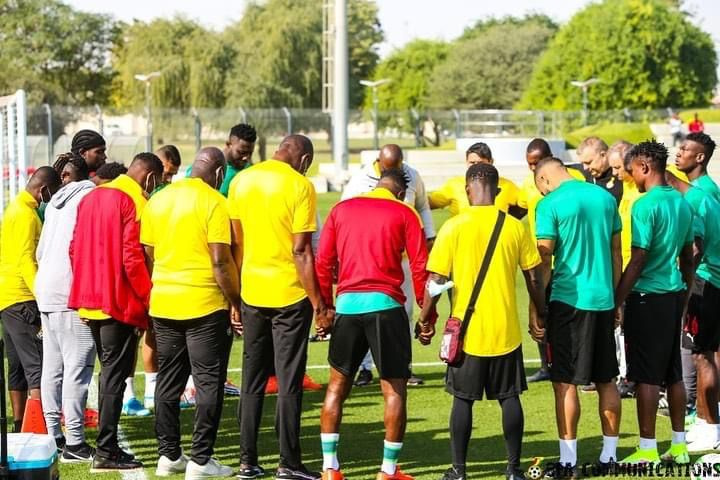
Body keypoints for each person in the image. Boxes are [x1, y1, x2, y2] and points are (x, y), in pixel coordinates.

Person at [417, 163, 546, 480]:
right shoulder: (515, 227)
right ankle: (514, 470)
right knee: (509, 398)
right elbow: (534, 276)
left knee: (462, 401)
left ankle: (458, 471)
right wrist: (540, 313)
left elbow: (436, 280)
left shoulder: (454, 227)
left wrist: (424, 318)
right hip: (506, 330)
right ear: (498, 191)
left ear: (466, 190)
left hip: (466, 331)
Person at [316, 169, 434, 480]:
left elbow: (323, 260)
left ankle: (330, 468)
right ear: (399, 192)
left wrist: (325, 307)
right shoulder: (404, 212)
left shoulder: (341, 210)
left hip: (347, 306)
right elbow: (421, 265)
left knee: (336, 387)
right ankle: (387, 471)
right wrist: (426, 314)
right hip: (386, 307)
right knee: (394, 391)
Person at [229, 135, 329, 480]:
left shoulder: (241, 180)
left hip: (252, 292)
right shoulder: (301, 185)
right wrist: (319, 304)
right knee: (288, 380)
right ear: (303, 160)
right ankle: (288, 462)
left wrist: (236, 297)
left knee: (252, 378)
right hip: (289, 295)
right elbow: (301, 251)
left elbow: (236, 244)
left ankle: (247, 462)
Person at [142, 147, 240, 479]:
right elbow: (220, 261)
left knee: (167, 382)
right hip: (204, 304)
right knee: (208, 382)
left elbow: (149, 251)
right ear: (218, 173)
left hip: (165, 303)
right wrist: (236, 301)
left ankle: (168, 455)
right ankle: (200, 460)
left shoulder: (159, 199)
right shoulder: (215, 202)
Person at [68, 153, 163, 472]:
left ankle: (107, 447)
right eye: (157, 183)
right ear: (149, 178)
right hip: (118, 301)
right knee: (114, 376)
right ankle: (107, 449)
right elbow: (133, 259)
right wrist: (150, 299)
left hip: (90, 299)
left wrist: (82, 290)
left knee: (109, 371)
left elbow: (74, 248)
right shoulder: (134, 201)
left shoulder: (90, 197)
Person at [533, 157, 622, 474]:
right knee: (606, 379)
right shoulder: (604, 197)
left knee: (564, 383)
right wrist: (616, 301)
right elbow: (615, 252)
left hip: (568, 303)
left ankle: (568, 460)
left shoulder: (549, 204)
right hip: (602, 301)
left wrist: (537, 309)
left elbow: (544, 261)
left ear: (543, 179)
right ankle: (609, 457)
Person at [614, 140, 695, 464]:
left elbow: (638, 258)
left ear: (645, 167)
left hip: (647, 297)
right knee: (673, 371)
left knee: (646, 374)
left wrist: (617, 300)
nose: (630, 176)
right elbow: (688, 258)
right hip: (673, 294)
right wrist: (685, 296)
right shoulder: (682, 203)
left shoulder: (645, 205)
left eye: (631, 170)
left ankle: (647, 448)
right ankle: (679, 447)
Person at [341, 144, 435, 387]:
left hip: (403, 258)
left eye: (398, 168)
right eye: (389, 168)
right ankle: (364, 368)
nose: (394, 172)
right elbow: (344, 212)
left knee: (404, 314)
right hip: (370, 259)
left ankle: (404, 366)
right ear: (379, 163)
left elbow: (422, 206)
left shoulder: (412, 176)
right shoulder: (360, 180)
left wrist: (429, 236)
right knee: (366, 314)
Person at [35, 157, 96, 462]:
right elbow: (83, 248)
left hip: (45, 288)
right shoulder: (87, 197)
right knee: (78, 368)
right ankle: (74, 442)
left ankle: (54, 437)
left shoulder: (54, 204)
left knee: (53, 367)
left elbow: (41, 250)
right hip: (69, 292)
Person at [516, 139, 584, 384]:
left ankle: (577, 364)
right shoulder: (527, 184)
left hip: (567, 258)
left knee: (570, 313)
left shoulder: (574, 178)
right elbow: (519, 209)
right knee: (539, 311)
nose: (533, 168)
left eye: (536, 163)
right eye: (529, 164)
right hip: (539, 257)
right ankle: (546, 364)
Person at [0, 167, 61, 432]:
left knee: (16, 365)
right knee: (37, 365)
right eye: (51, 193)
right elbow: (26, 258)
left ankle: (19, 426)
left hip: (7, 298)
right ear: (44, 190)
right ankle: (42, 429)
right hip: (22, 298)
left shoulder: (14, 207)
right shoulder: (25, 214)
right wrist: (41, 293)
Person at [666, 171, 720, 453]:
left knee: (701, 356)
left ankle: (711, 427)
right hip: (712, 282)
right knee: (709, 353)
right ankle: (705, 421)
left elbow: (695, 249)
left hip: (706, 283)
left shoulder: (695, 202)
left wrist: (684, 292)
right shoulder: (704, 197)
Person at [607, 141, 639, 398]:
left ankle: (630, 378)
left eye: (618, 167)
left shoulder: (640, 194)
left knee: (630, 326)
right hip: (625, 269)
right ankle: (626, 375)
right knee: (622, 326)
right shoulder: (627, 191)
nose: (615, 173)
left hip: (637, 271)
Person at [429, 142, 523, 217]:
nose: (477, 166)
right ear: (466, 162)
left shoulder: (508, 186)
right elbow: (426, 204)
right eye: (472, 163)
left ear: (491, 162)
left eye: (481, 163)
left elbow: (527, 203)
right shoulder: (454, 184)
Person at [187, 123, 257, 197]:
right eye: (242, 152)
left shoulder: (250, 171)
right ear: (228, 144)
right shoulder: (205, 166)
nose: (246, 157)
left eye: (250, 153)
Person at [675, 132, 719, 204]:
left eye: (684, 150)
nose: (678, 154)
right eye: (680, 149)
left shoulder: (704, 190)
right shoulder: (696, 185)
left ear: (700, 157)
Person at [576, 137, 623, 204]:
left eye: (588, 162)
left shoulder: (622, 176)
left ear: (603, 155)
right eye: (582, 163)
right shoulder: (585, 176)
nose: (585, 168)